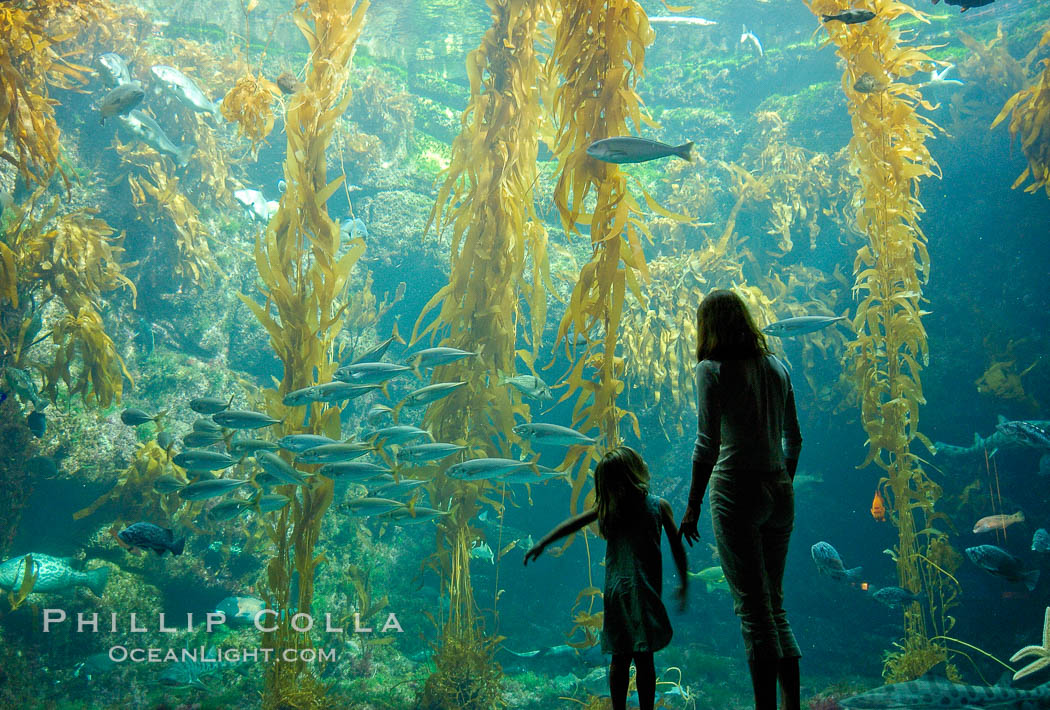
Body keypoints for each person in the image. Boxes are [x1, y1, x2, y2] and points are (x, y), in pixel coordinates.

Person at [677, 289, 803, 710]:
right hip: (779, 489)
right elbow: (794, 439)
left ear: (707, 326)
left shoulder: (711, 370)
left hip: (736, 490)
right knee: (776, 606)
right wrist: (782, 482)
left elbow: (706, 445)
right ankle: (791, 705)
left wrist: (693, 504)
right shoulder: (778, 367)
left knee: (753, 612)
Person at [525, 446, 688, 710]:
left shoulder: (608, 509)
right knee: (644, 659)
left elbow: (573, 524)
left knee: (619, 658)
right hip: (643, 592)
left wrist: (542, 543)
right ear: (637, 471)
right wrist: (684, 582)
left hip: (616, 593)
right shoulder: (658, 506)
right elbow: (677, 548)